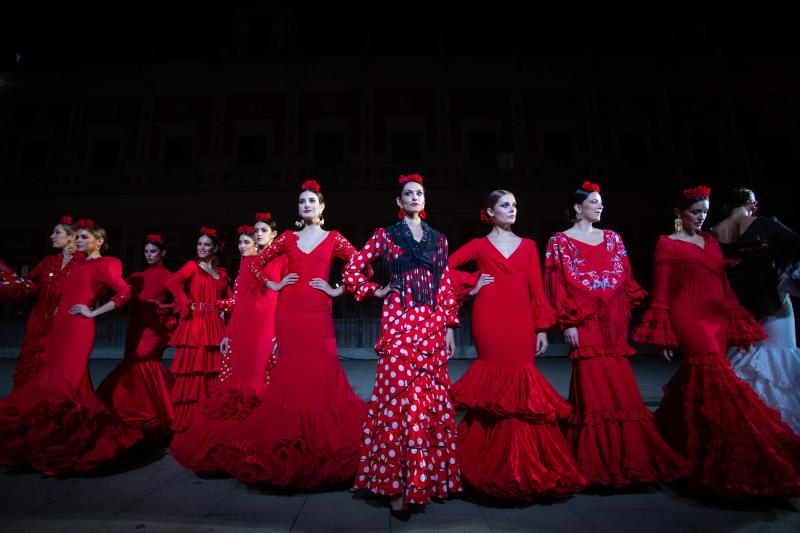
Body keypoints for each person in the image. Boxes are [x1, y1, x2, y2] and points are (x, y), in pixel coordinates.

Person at [173, 181, 367, 489]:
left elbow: (362, 265)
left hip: (318, 313)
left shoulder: (334, 238)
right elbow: (256, 265)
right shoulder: (288, 238)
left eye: (312, 201)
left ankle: (319, 439)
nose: (306, 205)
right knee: (290, 375)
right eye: (302, 201)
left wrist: (337, 289)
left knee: (322, 372)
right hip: (288, 313)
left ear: (321, 207)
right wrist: (274, 285)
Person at [634, 186, 800, 497]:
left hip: (718, 317)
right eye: (695, 212)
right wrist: (662, 334)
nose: (701, 217)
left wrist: (739, 327)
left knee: (699, 383)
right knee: (717, 380)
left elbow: (724, 286)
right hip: (688, 316)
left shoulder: (711, 241)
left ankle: (678, 443)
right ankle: (731, 454)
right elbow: (662, 290)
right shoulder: (667, 243)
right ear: (679, 213)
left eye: (705, 212)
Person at [545, 181, 689, 487]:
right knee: (591, 383)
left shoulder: (613, 238)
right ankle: (595, 458)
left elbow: (624, 277)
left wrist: (617, 309)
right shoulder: (559, 241)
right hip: (583, 318)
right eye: (594, 201)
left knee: (620, 381)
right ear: (578, 207)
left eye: (601, 202)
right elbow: (556, 284)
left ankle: (631, 455)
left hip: (614, 317)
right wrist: (568, 323)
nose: (600, 206)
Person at [447, 189, 587, 501]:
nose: (512, 209)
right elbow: (443, 269)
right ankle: (488, 465)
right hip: (489, 318)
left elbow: (537, 289)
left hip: (522, 321)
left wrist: (541, 328)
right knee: (494, 388)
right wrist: (471, 284)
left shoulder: (529, 246)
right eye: (505, 205)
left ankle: (524, 465)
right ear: (490, 212)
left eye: (514, 205)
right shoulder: (478, 245)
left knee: (522, 387)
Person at [343, 174, 462, 518]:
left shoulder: (439, 240)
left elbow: (445, 285)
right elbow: (352, 269)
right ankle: (393, 485)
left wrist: (449, 327)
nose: (414, 197)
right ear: (399, 201)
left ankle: (427, 480)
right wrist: (376, 290)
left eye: (419, 193)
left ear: (424, 200)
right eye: (408, 193)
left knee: (427, 401)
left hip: (431, 326)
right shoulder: (386, 235)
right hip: (398, 323)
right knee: (397, 399)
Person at [0, 219, 142, 475]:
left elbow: (123, 292)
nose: (79, 241)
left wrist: (93, 311)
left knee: (70, 381)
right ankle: (49, 441)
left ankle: (75, 443)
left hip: (79, 328)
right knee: (52, 378)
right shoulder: (78, 264)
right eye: (78, 237)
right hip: (60, 327)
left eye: (85, 237)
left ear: (99, 241)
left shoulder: (108, 263)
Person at [170, 220, 290, 470]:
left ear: (274, 234)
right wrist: (228, 333)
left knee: (261, 380)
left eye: (262, 231)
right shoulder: (247, 263)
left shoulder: (281, 259)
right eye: (253, 233)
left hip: (267, 325)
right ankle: (236, 443)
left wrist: (282, 329)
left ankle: (259, 441)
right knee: (240, 384)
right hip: (243, 326)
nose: (256, 236)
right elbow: (239, 301)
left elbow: (285, 298)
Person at [710, 187, 800, 434]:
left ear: (725, 206)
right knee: (777, 362)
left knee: (742, 362)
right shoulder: (765, 225)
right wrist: (787, 275)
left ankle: (746, 422)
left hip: (737, 308)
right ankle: (778, 423)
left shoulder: (714, 233)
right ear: (753, 205)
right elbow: (796, 245)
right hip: (771, 303)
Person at [97, 234, 176, 438]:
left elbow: (184, 302)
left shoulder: (170, 277)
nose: (149, 255)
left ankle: (160, 411)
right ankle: (132, 408)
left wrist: (163, 306)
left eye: (153, 252)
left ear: (162, 253)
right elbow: (121, 298)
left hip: (154, 329)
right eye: (146, 252)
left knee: (145, 362)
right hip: (136, 326)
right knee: (131, 362)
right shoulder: (135, 277)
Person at [166, 227, 231, 432]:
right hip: (197, 325)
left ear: (215, 249)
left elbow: (230, 300)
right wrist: (186, 302)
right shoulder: (192, 267)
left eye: (207, 245)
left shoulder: (221, 274)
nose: (202, 247)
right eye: (199, 244)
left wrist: (223, 309)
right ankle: (191, 423)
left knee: (215, 372)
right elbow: (172, 281)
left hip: (215, 326)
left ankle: (210, 422)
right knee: (196, 372)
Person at [12, 215, 79, 388]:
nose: (52, 236)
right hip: (39, 319)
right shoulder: (48, 261)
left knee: (55, 363)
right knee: (33, 361)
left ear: (71, 237)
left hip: (64, 321)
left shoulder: (82, 264)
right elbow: (26, 284)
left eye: (57, 232)